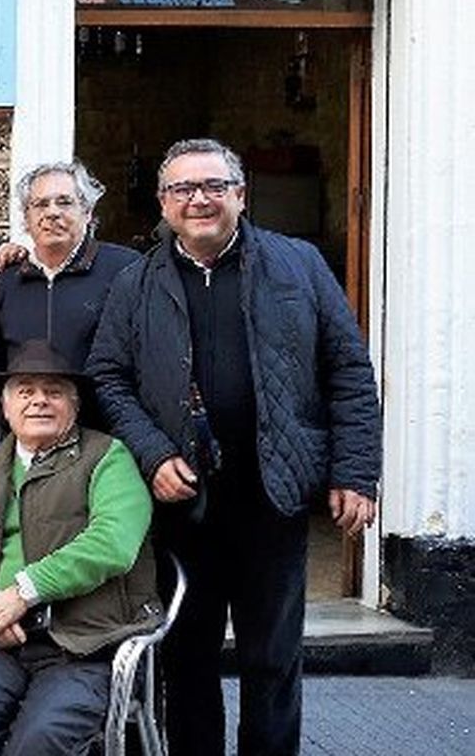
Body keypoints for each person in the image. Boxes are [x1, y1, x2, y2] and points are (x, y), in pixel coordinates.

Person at [87, 138, 382, 756]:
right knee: (186, 657)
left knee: (272, 659)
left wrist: (355, 472)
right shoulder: (136, 283)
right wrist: (151, 452)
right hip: (180, 502)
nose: (199, 199)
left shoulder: (299, 265)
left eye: (213, 186)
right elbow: (108, 378)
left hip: (271, 494)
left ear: (240, 197)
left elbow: (348, 368)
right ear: (164, 203)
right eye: (183, 189)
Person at [0, 340, 158, 755]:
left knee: (40, 740)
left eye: (53, 392)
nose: (39, 401)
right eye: (26, 391)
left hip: (86, 641)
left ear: (73, 406)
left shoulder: (108, 458)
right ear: (5, 405)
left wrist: (23, 592)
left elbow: (114, 543)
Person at [0, 160, 140, 427]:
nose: (52, 213)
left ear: (87, 211)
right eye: (41, 204)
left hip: (107, 436)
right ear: (26, 218)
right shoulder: (5, 283)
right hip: (29, 440)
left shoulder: (126, 270)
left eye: (64, 202)